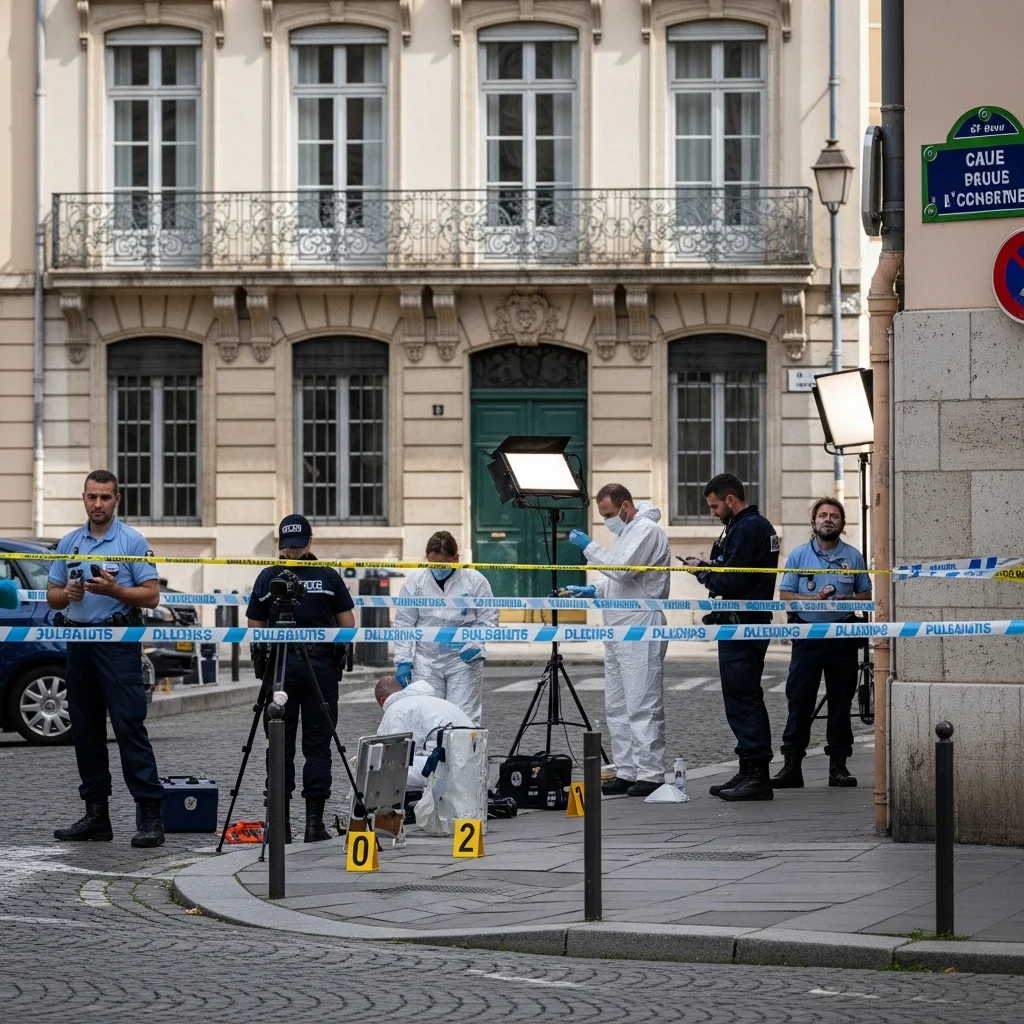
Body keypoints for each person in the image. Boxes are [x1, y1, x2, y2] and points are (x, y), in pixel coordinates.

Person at [47, 470, 165, 847]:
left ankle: (150, 815)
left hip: (118, 642)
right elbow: (51, 595)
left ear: (117, 499)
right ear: (83, 498)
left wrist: (115, 589)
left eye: (104, 497)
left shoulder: (132, 541)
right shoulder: (70, 542)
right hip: (79, 643)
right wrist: (67, 593)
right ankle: (96, 815)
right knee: (85, 730)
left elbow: (151, 596)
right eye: (91, 497)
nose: (97, 504)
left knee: (129, 727)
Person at [246, 514, 356, 843]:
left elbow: (254, 629)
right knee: (318, 746)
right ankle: (313, 825)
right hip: (319, 666)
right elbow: (348, 624)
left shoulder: (268, 578)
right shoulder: (327, 576)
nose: (292, 552)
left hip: (279, 667)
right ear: (311, 542)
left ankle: (280, 825)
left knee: (278, 746)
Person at [567, 483, 670, 798]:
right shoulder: (625, 532)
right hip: (617, 627)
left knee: (642, 702)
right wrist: (596, 589)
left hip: (640, 626)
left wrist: (589, 547)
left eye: (609, 513)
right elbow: (617, 578)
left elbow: (623, 571)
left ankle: (651, 772)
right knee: (617, 706)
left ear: (626, 506)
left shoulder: (646, 531)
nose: (606, 520)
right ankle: (626, 770)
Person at [684, 473, 780, 802]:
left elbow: (733, 580)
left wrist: (703, 572)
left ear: (729, 499)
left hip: (743, 623)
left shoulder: (750, 527)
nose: (712, 512)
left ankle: (757, 775)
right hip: (740, 621)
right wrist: (710, 566)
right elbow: (730, 570)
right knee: (742, 696)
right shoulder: (741, 527)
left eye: (714, 506)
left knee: (743, 698)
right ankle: (748, 767)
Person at [773, 498, 872, 790]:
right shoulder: (799, 556)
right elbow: (786, 595)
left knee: (841, 702)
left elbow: (866, 596)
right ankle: (792, 766)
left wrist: (849, 600)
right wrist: (810, 600)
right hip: (808, 635)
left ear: (842, 524)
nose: (828, 520)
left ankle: (838, 767)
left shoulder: (853, 557)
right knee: (799, 700)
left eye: (834, 516)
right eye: (823, 515)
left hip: (841, 636)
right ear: (813, 522)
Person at [392, 531, 497, 724]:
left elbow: (488, 618)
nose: (439, 569)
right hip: (426, 660)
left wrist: (476, 644)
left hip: (463, 659)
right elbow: (405, 622)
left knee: (463, 716)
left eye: (444, 565)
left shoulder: (475, 580)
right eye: (434, 565)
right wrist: (403, 660)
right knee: (428, 715)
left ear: (456, 558)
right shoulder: (415, 581)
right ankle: (432, 754)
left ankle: (465, 754)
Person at [374, 675, 474, 792]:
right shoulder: (439, 702)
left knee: (383, 768)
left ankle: (396, 806)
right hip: (471, 762)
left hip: (446, 767)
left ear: (383, 700)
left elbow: (394, 750)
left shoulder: (397, 708)